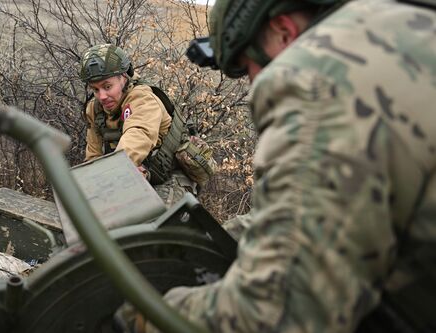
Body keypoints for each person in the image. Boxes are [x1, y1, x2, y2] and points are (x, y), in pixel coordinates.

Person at [123, 0, 436, 332]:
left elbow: (278, 312)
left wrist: (146, 315)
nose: (251, 85)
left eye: (246, 68)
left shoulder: (319, 76)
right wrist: (210, 240)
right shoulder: (403, 26)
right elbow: (331, 214)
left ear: (284, 32)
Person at [79, 44, 197, 206]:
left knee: (159, 220)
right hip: (131, 174)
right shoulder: (95, 109)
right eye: (95, 89)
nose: (102, 96)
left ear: (124, 78)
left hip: (170, 176)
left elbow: (138, 135)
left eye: (107, 87)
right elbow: (93, 157)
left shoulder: (143, 99)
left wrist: (114, 174)